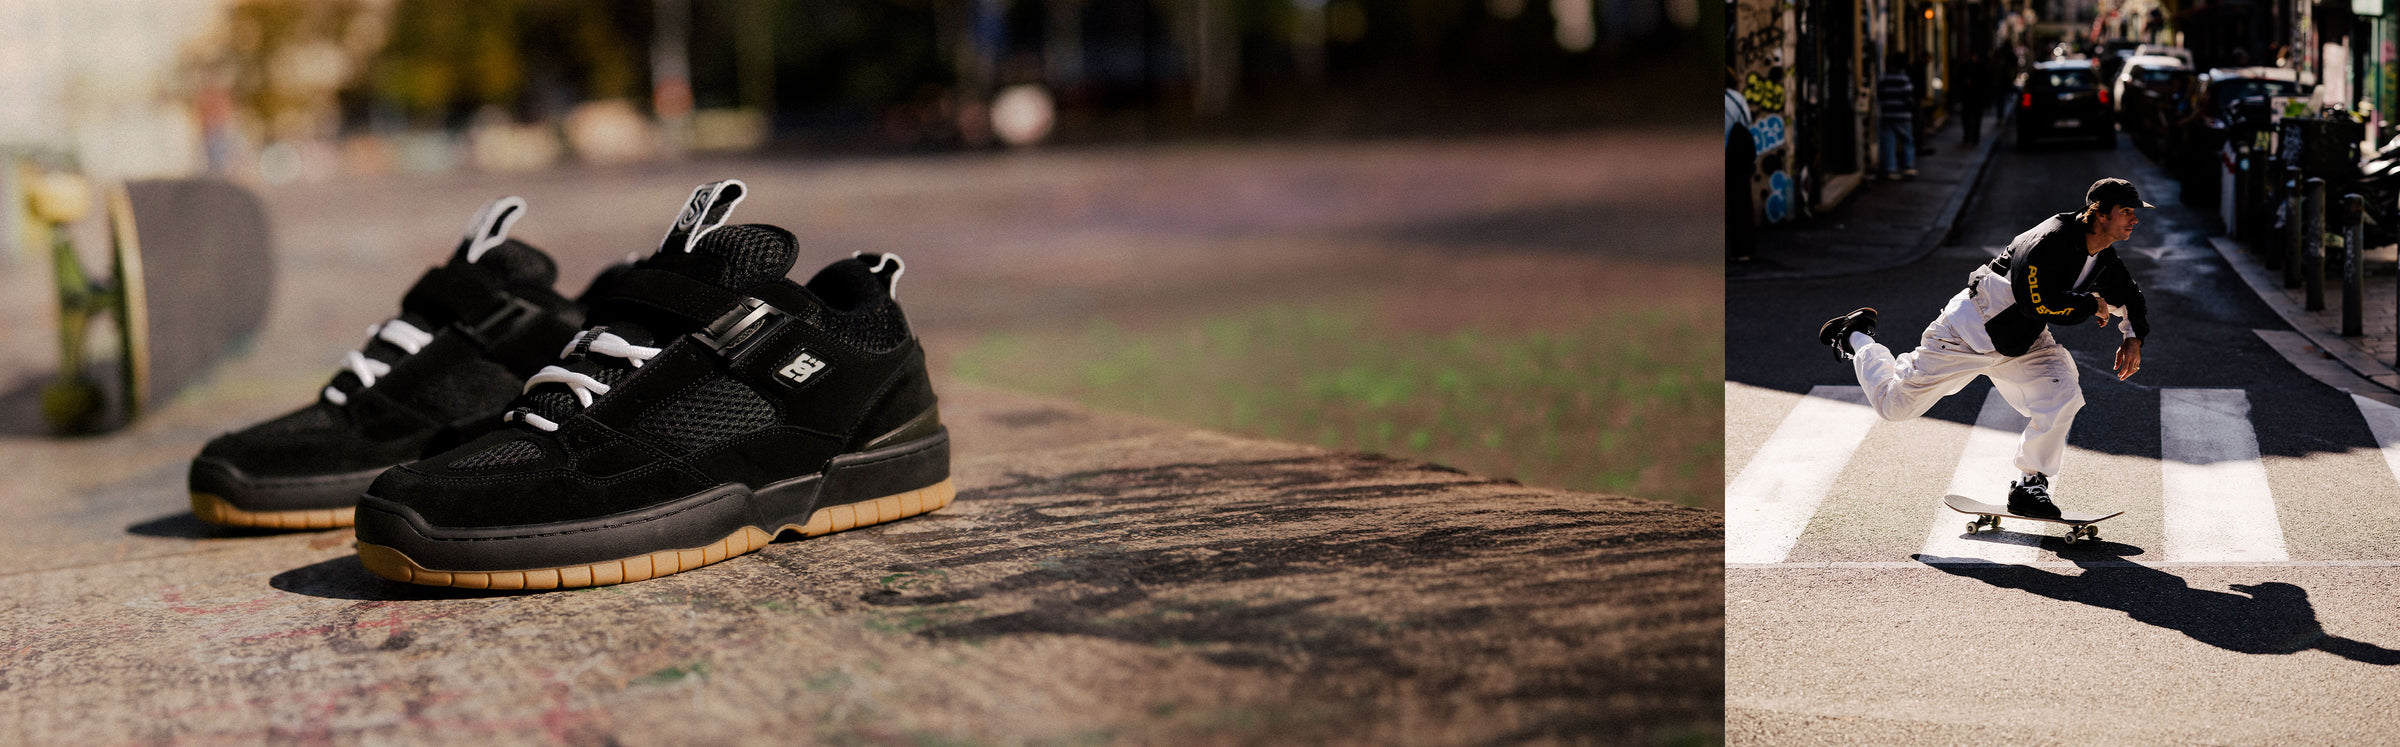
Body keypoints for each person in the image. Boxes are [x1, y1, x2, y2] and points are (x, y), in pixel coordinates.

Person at [1816, 178, 2155, 517]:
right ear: (2098, 214)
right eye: (2125, 212)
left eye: (2134, 213)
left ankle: (2030, 484)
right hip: (1967, 332)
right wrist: (2089, 305)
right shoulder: (2047, 240)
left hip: (2021, 341)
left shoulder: (2103, 257)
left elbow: (2130, 296)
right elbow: (2035, 303)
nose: (2134, 220)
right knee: (1894, 406)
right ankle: (1856, 336)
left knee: (2062, 393)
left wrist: (2132, 337)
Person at [1878, 53, 1918, 179]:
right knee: (1907, 140)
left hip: (1888, 115)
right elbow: (1909, 97)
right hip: (1902, 115)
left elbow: (1880, 94)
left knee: (1889, 142)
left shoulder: (1885, 78)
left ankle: (1891, 169)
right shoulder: (1904, 79)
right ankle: (1908, 167)